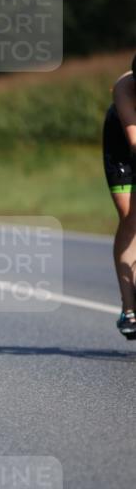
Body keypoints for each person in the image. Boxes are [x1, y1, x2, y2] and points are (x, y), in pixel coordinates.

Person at [103, 54, 136, 338]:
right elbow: (134, 142)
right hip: (123, 145)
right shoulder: (124, 88)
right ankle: (129, 307)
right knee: (129, 215)